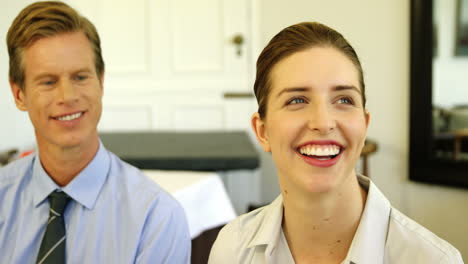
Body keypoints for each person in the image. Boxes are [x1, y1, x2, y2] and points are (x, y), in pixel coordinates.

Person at [208, 22, 463, 264]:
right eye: (297, 100)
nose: (323, 122)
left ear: (364, 125)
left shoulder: (432, 259)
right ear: (262, 131)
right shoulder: (233, 248)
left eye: (344, 100)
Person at [0, 1, 191, 263]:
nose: (67, 96)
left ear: (101, 82)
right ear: (19, 94)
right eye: (48, 81)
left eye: (80, 77)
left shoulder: (155, 218)